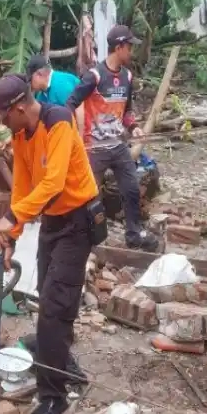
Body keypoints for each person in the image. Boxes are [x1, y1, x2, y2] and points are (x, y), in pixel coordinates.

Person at [0, 74, 100, 414]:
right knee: (47, 295)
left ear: (20, 107)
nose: (4, 123)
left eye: (5, 116)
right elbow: (22, 187)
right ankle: (64, 363)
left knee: (55, 307)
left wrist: (12, 217)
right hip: (53, 223)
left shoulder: (59, 122)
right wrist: (12, 234)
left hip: (78, 221)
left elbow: (52, 184)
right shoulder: (21, 134)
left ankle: (53, 396)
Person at [66, 25, 159, 252]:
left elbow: (126, 111)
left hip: (117, 146)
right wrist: (73, 135)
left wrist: (134, 127)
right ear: (119, 48)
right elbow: (70, 103)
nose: (132, 52)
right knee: (87, 195)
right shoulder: (95, 76)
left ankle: (134, 234)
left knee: (131, 188)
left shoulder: (127, 76)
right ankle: (81, 238)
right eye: (129, 47)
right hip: (94, 148)